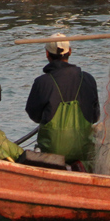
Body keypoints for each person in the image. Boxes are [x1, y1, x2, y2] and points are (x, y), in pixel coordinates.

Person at [25, 34, 100, 162]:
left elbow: (34, 116)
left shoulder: (41, 82)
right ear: (69, 51)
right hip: (83, 154)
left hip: (51, 155)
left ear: (47, 54)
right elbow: (95, 117)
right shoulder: (88, 79)